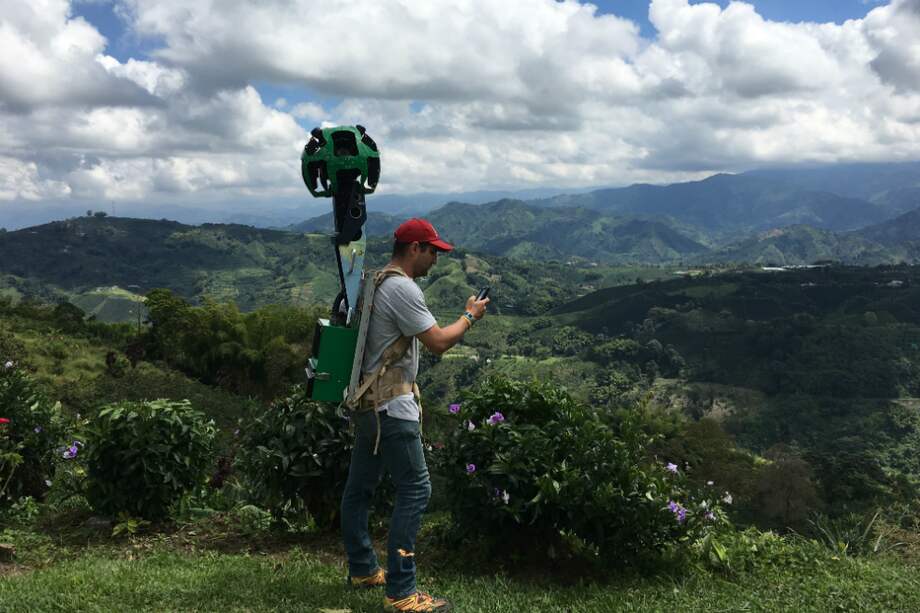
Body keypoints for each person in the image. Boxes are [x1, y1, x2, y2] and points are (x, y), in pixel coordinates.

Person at [341, 218, 489, 613]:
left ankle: (363, 569)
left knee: (360, 489)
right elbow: (439, 342)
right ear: (414, 249)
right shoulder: (403, 288)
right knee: (417, 489)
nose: (436, 260)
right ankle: (403, 591)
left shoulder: (375, 280)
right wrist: (470, 316)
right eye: (433, 252)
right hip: (392, 406)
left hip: (367, 403)